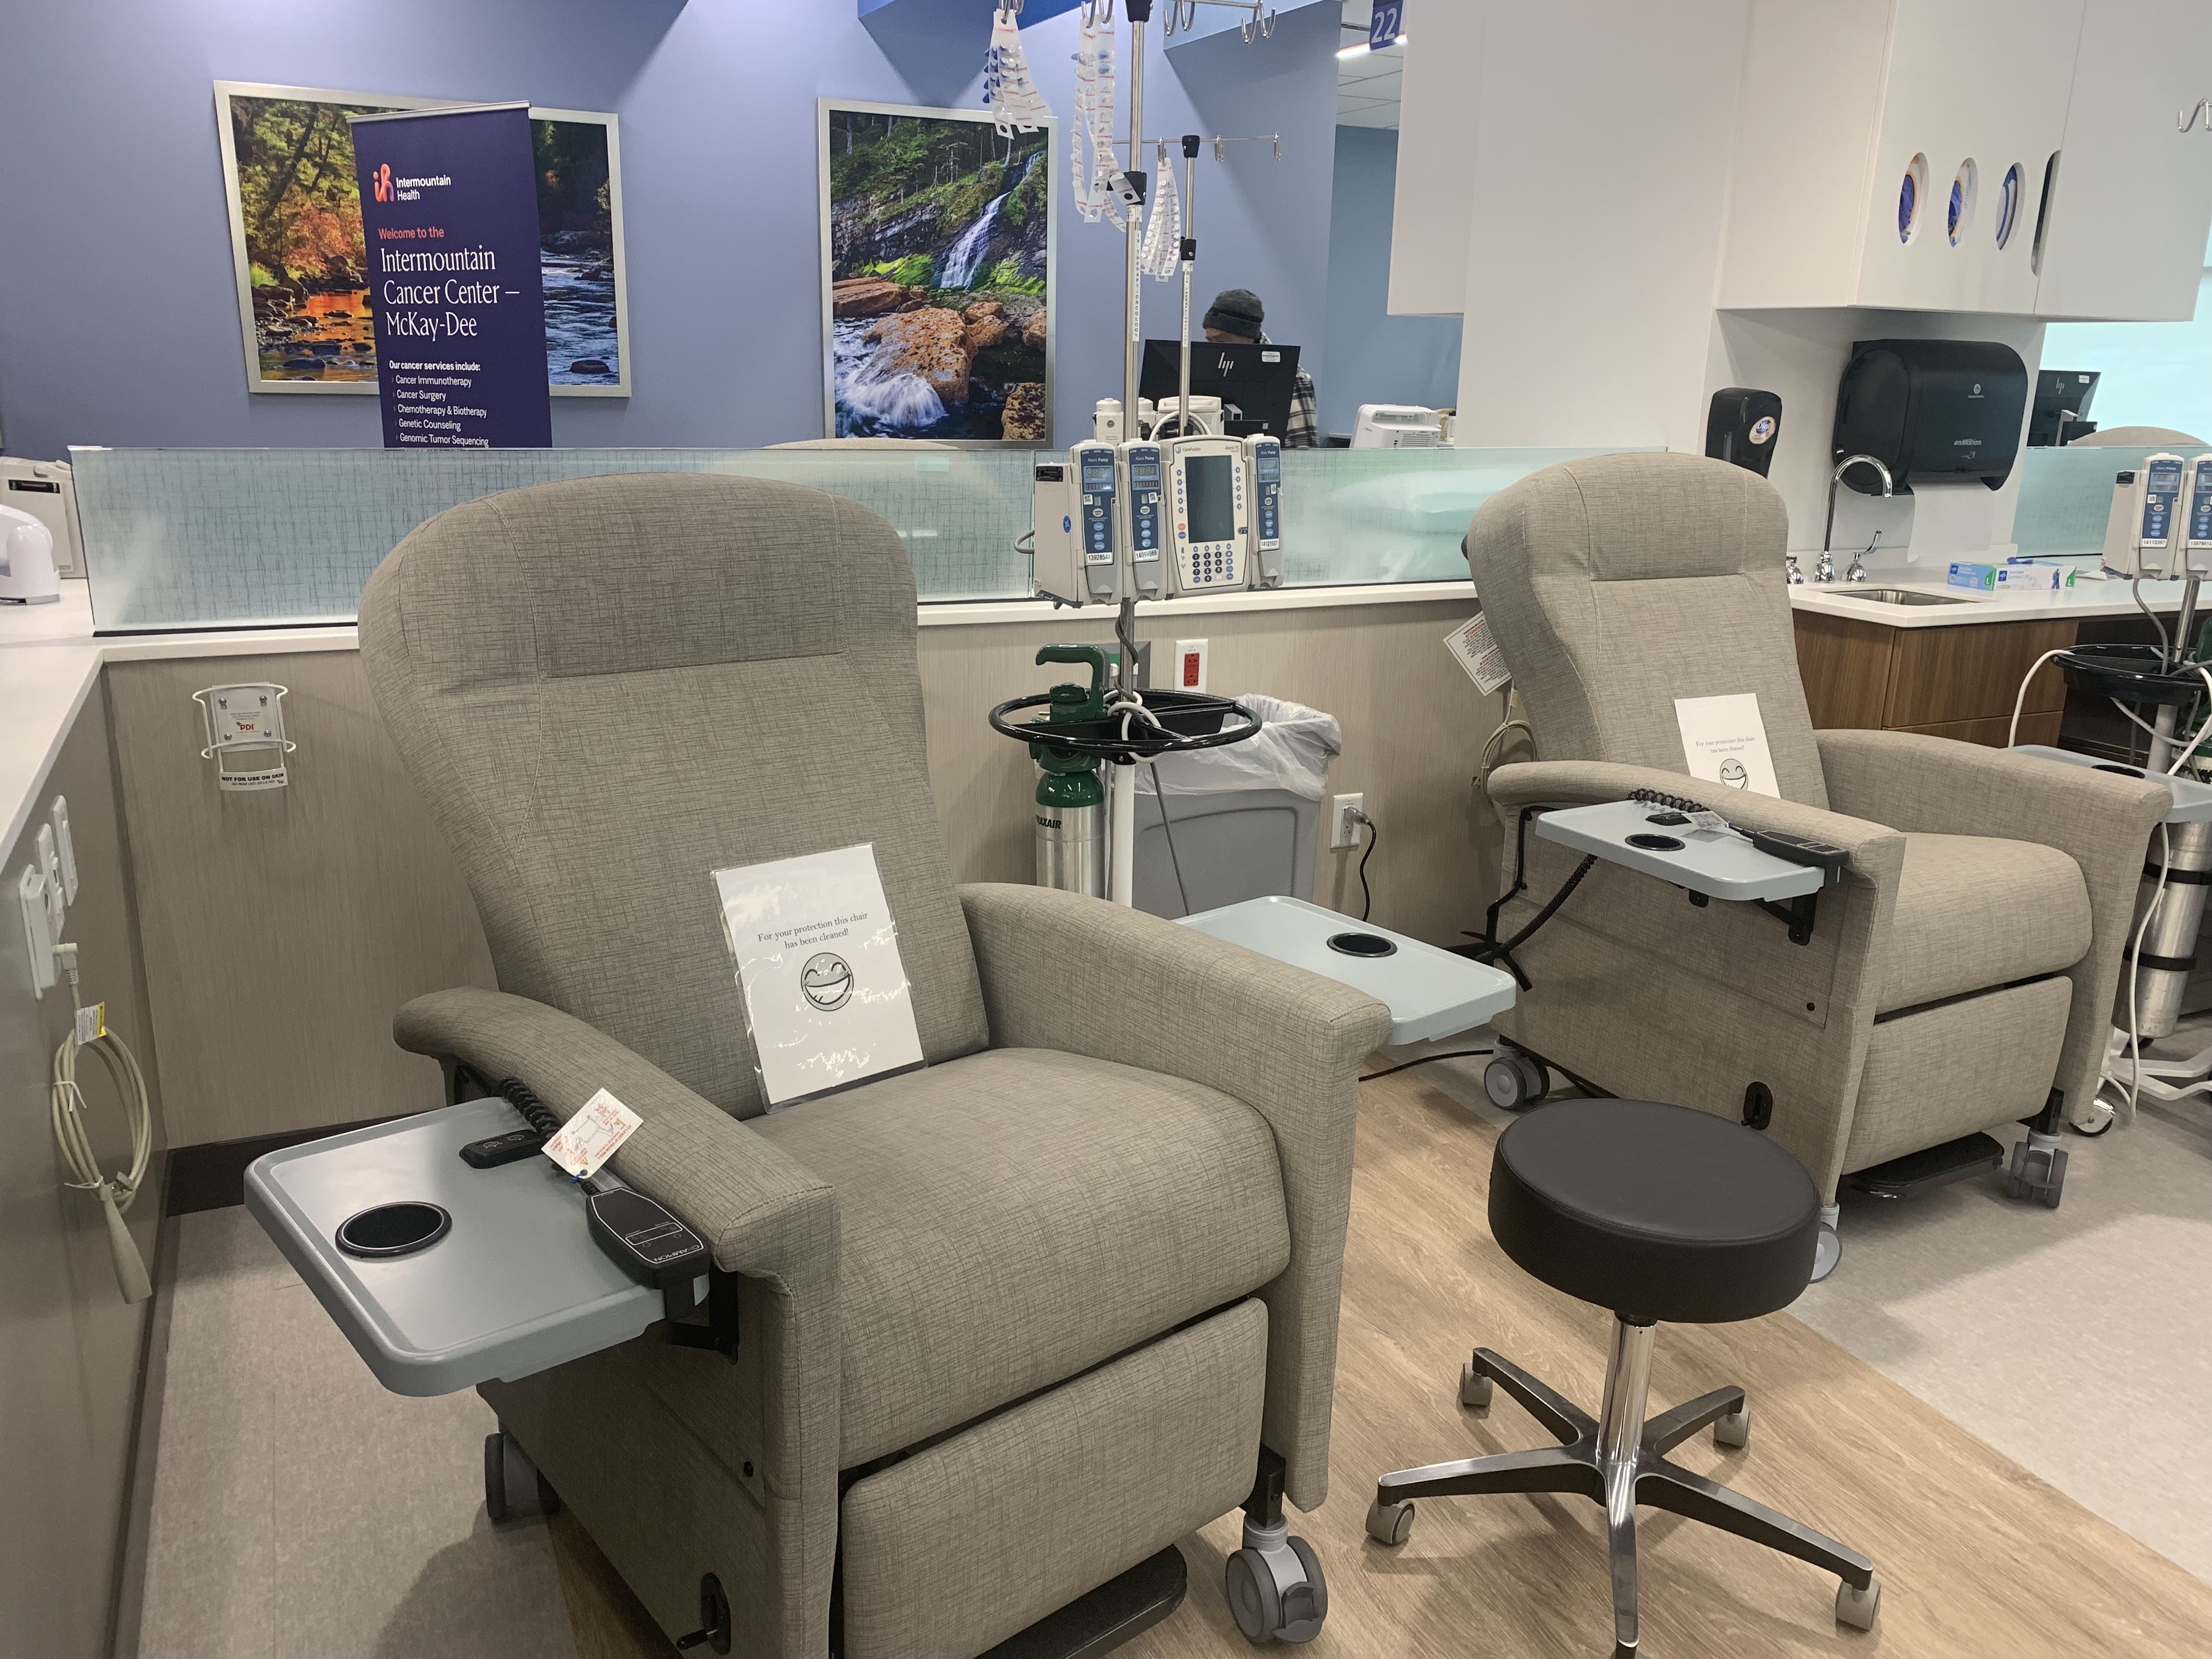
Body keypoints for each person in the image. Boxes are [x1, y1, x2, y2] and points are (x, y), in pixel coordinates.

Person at [1202, 288, 1318, 448]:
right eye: (1210, 342)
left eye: (1222, 342)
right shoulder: (1202, 371)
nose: (1214, 351)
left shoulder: (1292, 379)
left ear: (1249, 337)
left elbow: (1303, 454)